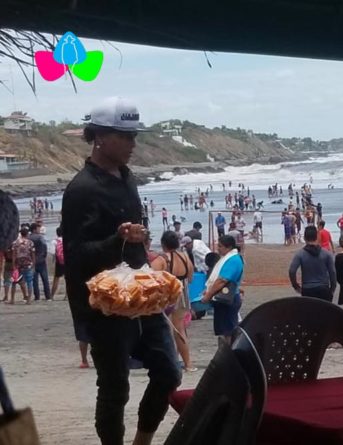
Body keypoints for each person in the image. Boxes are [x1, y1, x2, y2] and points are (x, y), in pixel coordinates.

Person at [61, 97, 180, 445]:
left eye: (133, 136)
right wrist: (118, 238)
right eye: (125, 137)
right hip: (105, 305)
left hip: (141, 295)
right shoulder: (81, 189)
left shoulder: (127, 179)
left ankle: (142, 441)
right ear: (99, 137)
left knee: (169, 372)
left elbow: (133, 238)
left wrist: (141, 242)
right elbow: (77, 255)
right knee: (115, 388)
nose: (132, 144)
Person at [151, 231, 196, 372]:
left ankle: (172, 362)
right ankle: (187, 363)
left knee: (168, 330)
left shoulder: (162, 259)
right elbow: (190, 278)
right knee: (180, 329)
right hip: (183, 293)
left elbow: (153, 280)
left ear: (163, 244)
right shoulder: (184, 257)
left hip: (168, 296)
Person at [200, 235, 244, 343]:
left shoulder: (233, 260)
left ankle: (229, 353)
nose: (218, 248)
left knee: (228, 331)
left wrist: (208, 295)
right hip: (227, 298)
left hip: (228, 299)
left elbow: (222, 280)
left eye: (220, 246)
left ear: (228, 247)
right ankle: (227, 352)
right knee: (225, 330)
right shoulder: (230, 259)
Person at [288, 226, 337, 302]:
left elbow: (292, 270)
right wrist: (333, 288)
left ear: (304, 238)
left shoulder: (300, 254)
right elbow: (333, 272)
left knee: (309, 313)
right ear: (317, 237)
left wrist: (296, 286)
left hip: (307, 289)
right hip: (323, 287)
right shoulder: (326, 253)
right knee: (325, 313)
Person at [11, 226, 34, 304]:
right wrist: (33, 263)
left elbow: (13, 255)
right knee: (29, 282)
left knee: (14, 281)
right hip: (28, 264)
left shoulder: (15, 243)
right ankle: (29, 300)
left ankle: (12, 299)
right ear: (27, 234)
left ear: (20, 233)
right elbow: (32, 253)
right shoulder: (30, 242)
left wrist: (13, 265)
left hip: (18, 265)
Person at [29, 223, 51, 301]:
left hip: (32, 261)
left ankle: (37, 296)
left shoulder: (29, 238)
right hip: (41, 260)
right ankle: (48, 296)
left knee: (35, 280)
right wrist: (44, 255)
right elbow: (45, 246)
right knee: (45, 279)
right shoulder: (40, 237)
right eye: (38, 228)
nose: (39, 230)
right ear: (34, 229)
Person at [50, 226, 66, 299]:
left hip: (59, 262)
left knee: (56, 279)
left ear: (57, 233)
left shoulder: (54, 241)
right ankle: (66, 296)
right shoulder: (67, 240)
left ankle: (52, 296)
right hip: (67, 262)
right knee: (67, 280)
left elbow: (53, 252)